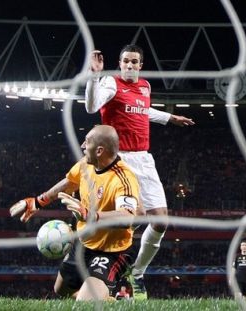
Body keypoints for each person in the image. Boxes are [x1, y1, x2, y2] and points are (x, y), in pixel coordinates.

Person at [85, 44, 195, 299]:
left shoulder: (144, 86)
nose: (130, 66)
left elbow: (142, 110)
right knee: (137, 213)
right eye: (126, 61)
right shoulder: (110, 84)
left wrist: (170, 118)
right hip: (120, 160)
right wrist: (94, 75)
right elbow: (91, 107)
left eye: (134, 62)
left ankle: (136, 273)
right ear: (120, 63)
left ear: (140, 65)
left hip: (144, 159)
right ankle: (108, 267)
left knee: (160, 220)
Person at [9, 125, 141, 301]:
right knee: (61, 290)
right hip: (84, 242)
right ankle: (114, 301)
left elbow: (128, 217)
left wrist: (90, 215)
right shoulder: (85, 166)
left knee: (85, 302)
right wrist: (38, 201)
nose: (82, 146)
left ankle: (108, 294)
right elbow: (69, 182)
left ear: (100, 150)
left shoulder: (123, 179)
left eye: (87, 142)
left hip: (112, 250)